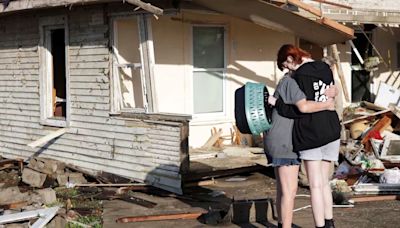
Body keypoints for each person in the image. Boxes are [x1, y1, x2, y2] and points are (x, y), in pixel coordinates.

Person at [274, 44, 341, 228]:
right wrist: (329, 100)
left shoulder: (299, 76)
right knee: (325, 182)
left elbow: (301, 108)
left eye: (286, 66)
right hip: (332, 129)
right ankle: (329, 223)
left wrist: (276, 103)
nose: (287, 70)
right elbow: (331, 92)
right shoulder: (325, 67)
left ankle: (320, 225)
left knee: (315, 185)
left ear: (290, 58)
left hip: (312, 133)